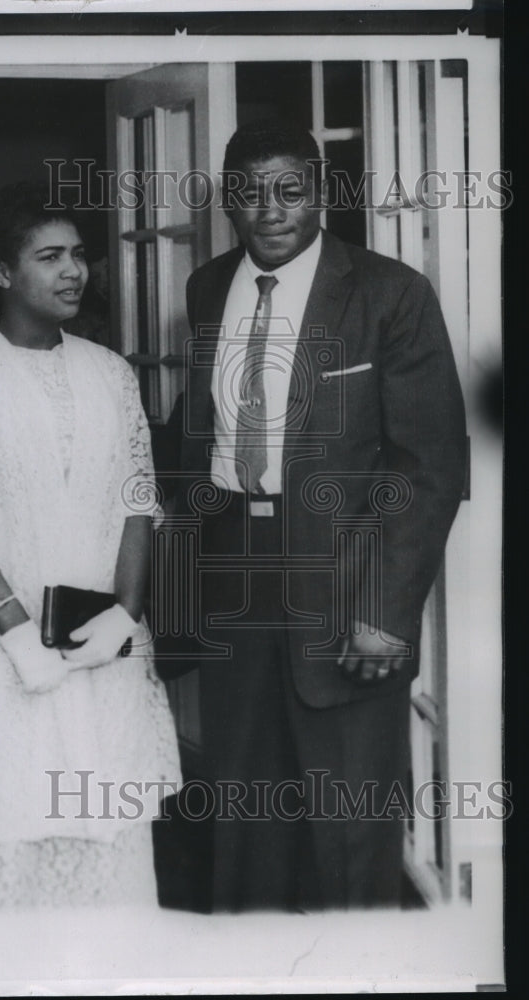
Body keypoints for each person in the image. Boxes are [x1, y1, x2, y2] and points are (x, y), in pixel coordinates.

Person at [161, 119, 467, 911]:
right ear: (228, 200)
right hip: (236, 583)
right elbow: (196, 438)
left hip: (346, 589)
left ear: (321, 193)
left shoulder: (388, 292)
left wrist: (384, 613)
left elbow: (427, 469)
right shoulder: (206, 288)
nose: (270, 209)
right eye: (249, 192)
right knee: (245, 809)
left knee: (347, 819)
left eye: (289, 190)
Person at [0, 182, 181, 910]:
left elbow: (135, 499)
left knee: (102, 835)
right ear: (2, 273)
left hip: (97, 649)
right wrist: (16, 631)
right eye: (49, 256)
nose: (73, 271)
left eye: (79, 255)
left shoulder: (110, 372)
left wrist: (125, 612)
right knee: (0, 831)